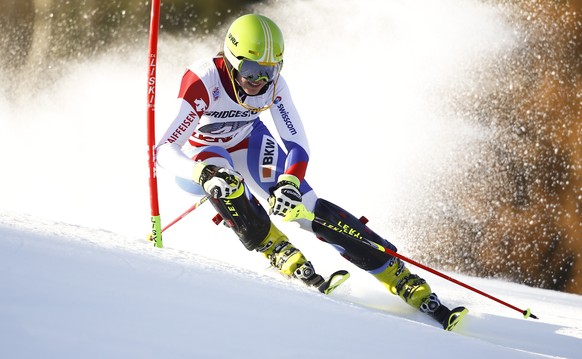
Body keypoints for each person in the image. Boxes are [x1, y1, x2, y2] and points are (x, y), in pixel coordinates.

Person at [155, 13, 466, 330]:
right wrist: (202, 174)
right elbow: (163, 149)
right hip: (201, 153)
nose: (259, 80)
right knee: (224, 179)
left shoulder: (273, 85)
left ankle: (393, 271)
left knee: (305, 206)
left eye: (269, 71)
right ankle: (273, 246)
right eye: (250, 71)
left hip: (248, 141)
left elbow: (296, 142)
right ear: (232, 60)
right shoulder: (203, 80)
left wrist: (290, 183)